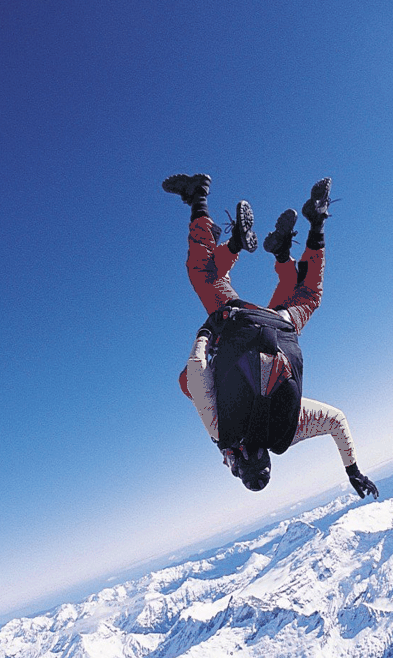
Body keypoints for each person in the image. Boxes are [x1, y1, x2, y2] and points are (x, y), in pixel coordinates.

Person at [162, 173, 379, 499]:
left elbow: (337, 421)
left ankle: (314, 224)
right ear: (239, 461)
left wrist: (354, 471)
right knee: (203, 273)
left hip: (280, 323)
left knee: (308, 296)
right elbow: (195, 373)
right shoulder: (224, 431)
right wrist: (207, 331)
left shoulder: (289, 430)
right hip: (238, 318)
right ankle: (200, 199)